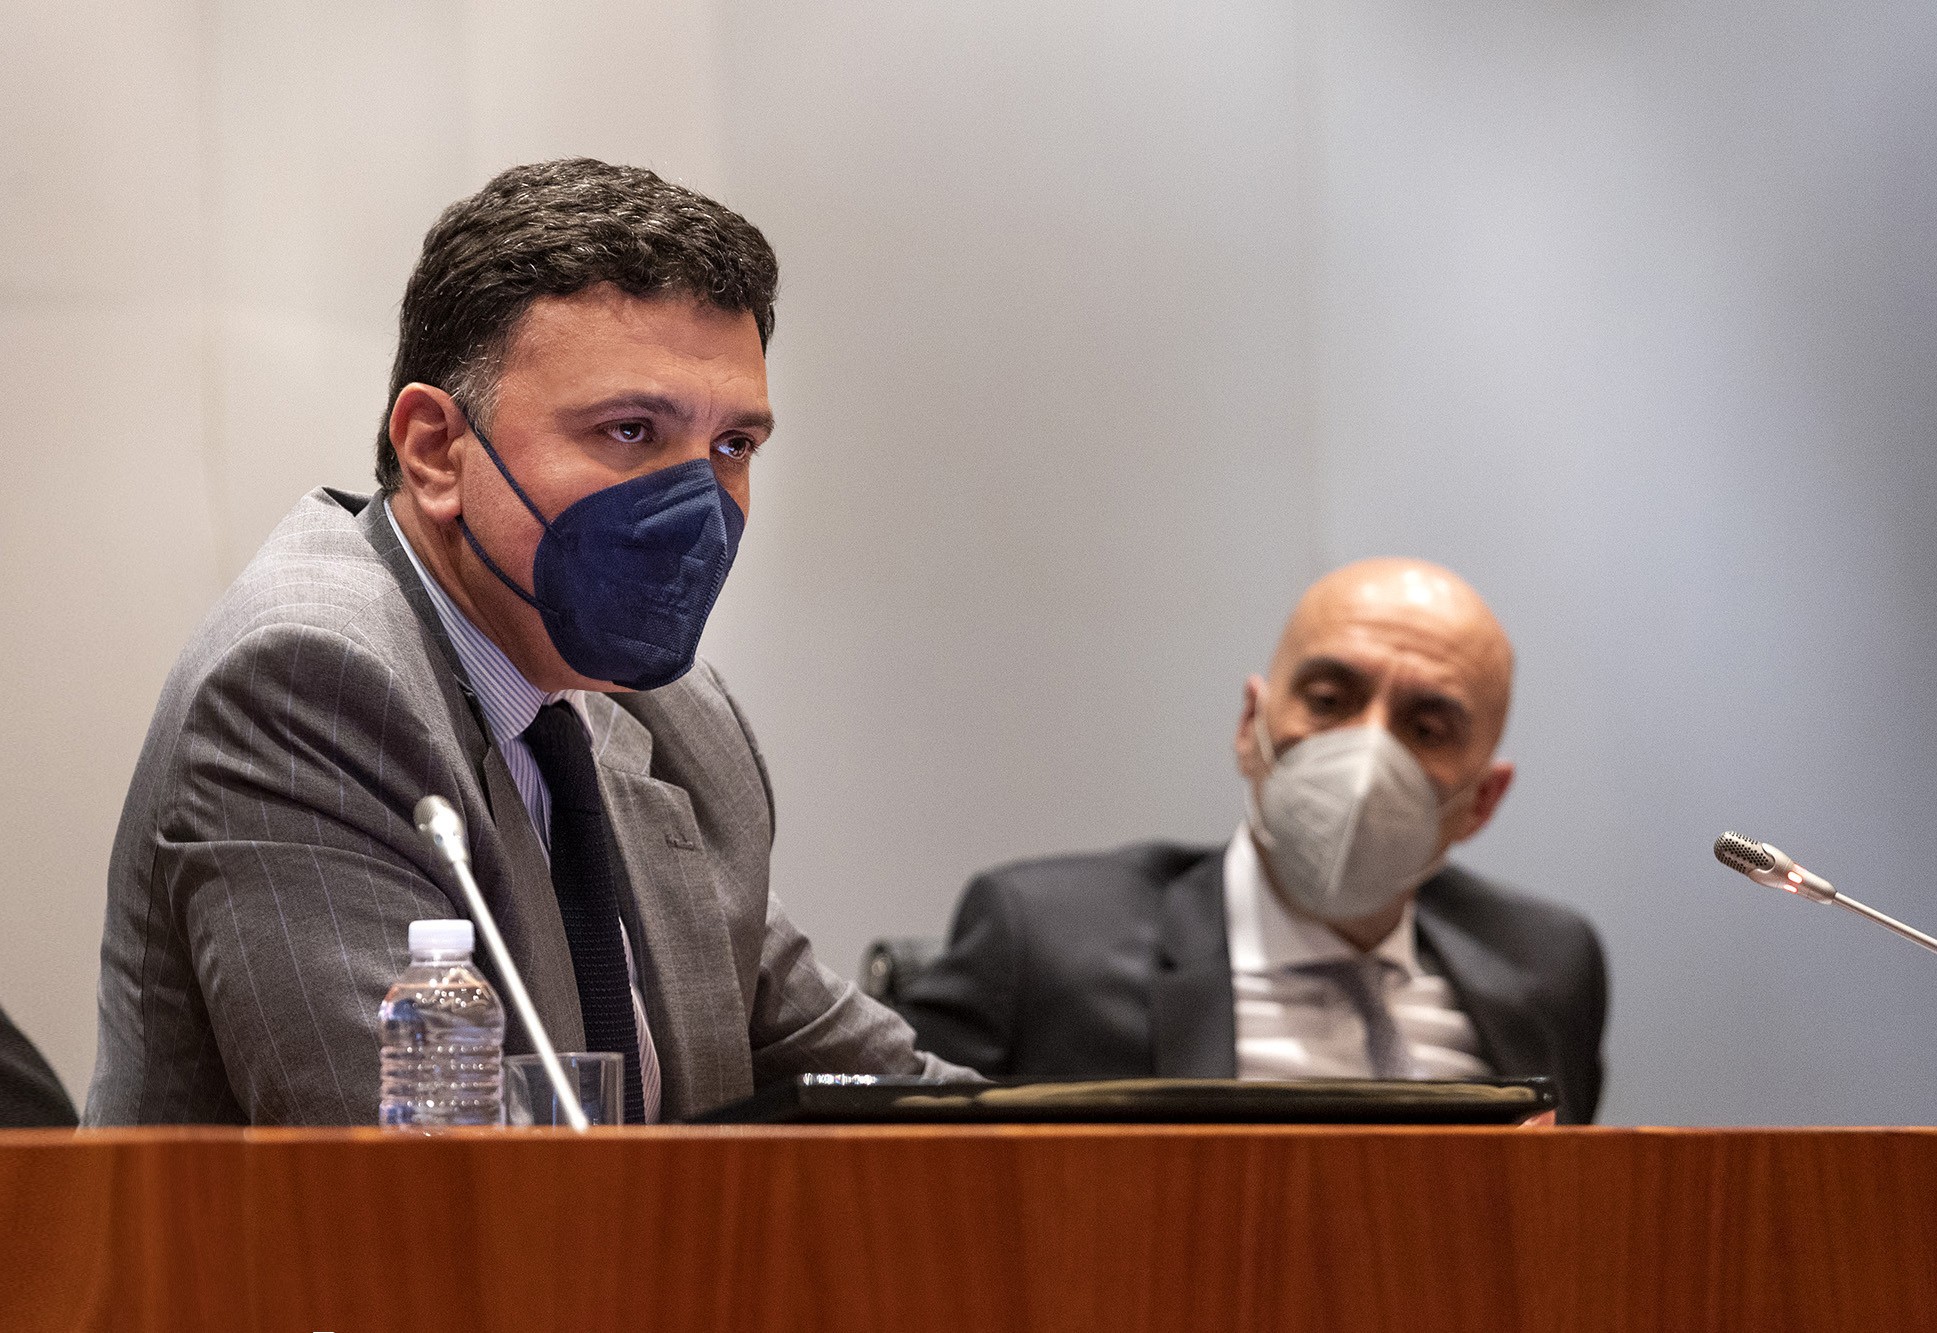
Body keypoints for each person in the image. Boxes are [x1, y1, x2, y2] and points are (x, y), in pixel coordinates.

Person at [87, 159, 965, 1126]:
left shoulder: (674, 716)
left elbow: (904, 1106)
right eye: (629, 430)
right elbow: (422, 1183)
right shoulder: (309, 684)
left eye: (732, 447)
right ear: (435, 449)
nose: (697, 506)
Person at [897, 559, 1608, 1123]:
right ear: (1250, 725)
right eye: (1328, 701)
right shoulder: (1045, 941)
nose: (1365, 757)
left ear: (1482, 800)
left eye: (1425, 729)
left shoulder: (1545, 966)